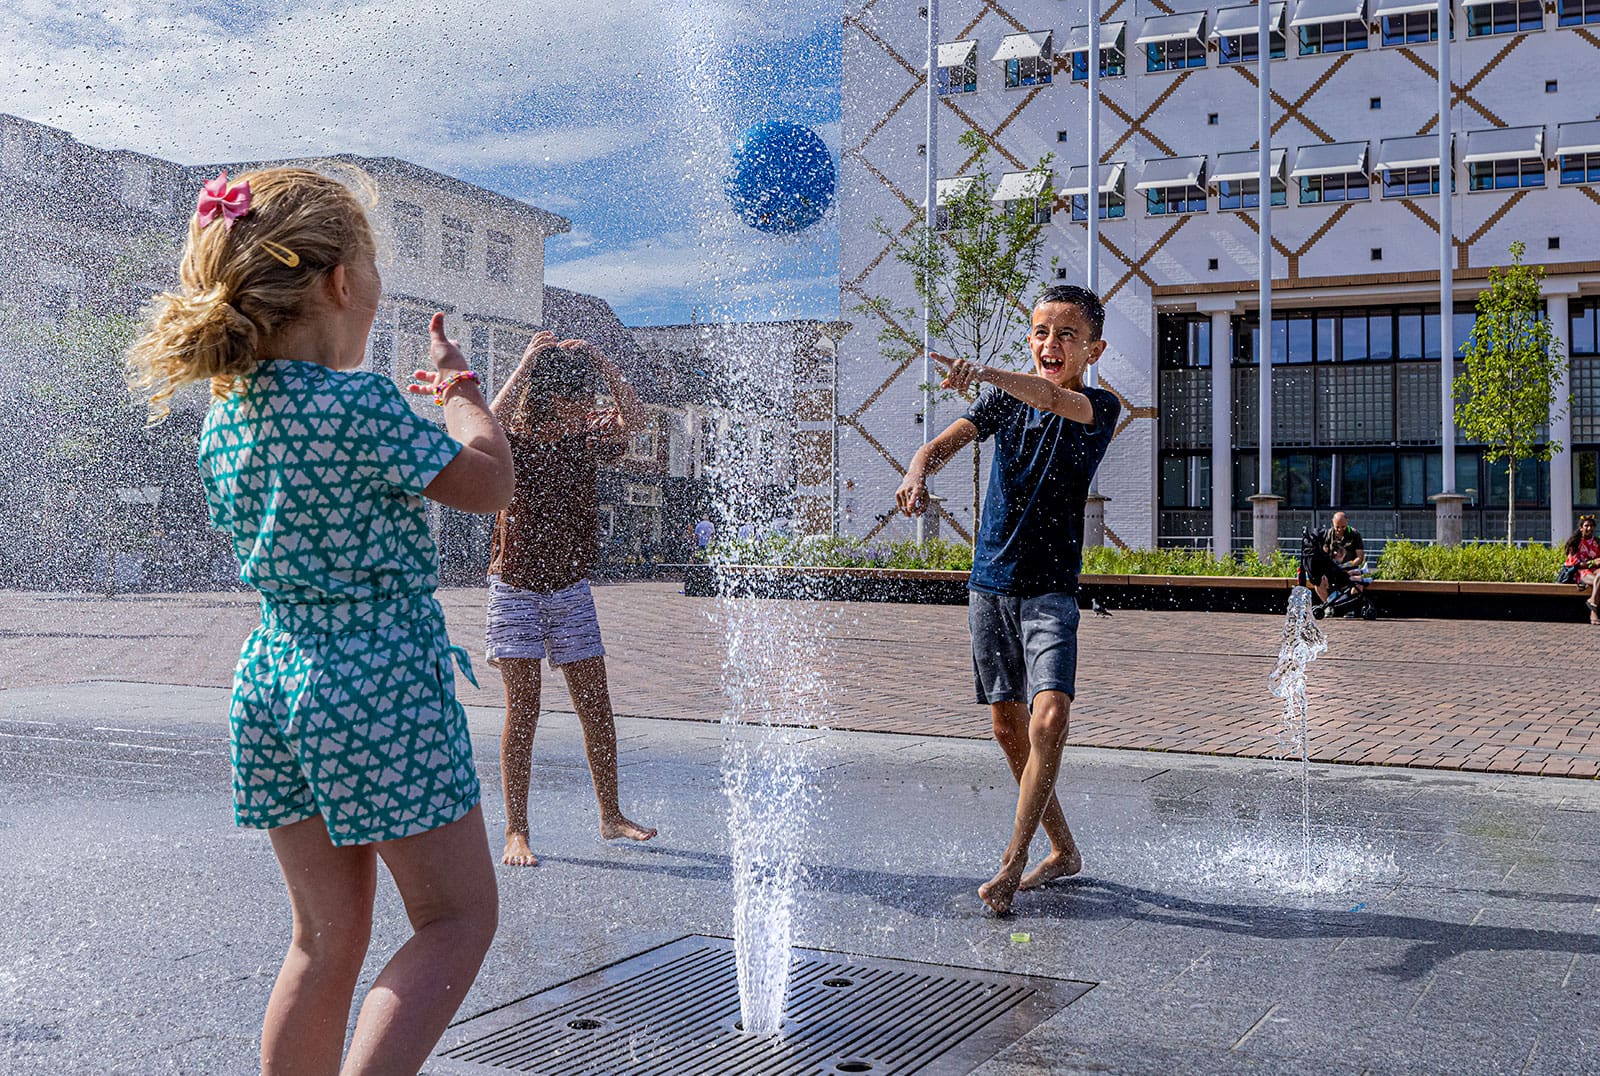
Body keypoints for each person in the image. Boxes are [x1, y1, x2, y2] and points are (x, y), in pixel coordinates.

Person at [125, 167, 513, 1074]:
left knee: (322, 941)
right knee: (456, 919)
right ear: (343, 282)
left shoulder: (225, 419)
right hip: (374, 680)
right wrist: (463, 396)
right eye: (376, 266)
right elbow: (491, 485)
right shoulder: (360, 406)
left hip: (272, 678)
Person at [895, 284, 1120, 916]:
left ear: (1093, 348)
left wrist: (986, 371)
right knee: (1007, 726)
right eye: (1042, 333)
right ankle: (1064, 850)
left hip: (1051, 589)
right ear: (1031, 338)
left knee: (1050, 718)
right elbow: (939, 446)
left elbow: (1051, 397)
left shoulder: (1100, 405)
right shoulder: (1001, 402)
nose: (1052, 345)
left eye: (1067, 335)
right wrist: (916, 472)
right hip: (989, 583)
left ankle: (1012, 861)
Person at [486, 331, 657, 867]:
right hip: (514, 585)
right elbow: (481, 423)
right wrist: (526, 362)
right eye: (576, 401)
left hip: (570, 587)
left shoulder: (587, 440)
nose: (586, 409)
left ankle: (610, 815)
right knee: (525, 708)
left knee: (595, 705)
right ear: (549, 400)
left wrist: (601, 360)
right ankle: (517, 829)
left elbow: (636, 415)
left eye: (587, 401)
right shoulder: (514, 439)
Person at [1309, 512, 1367, 607]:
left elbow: (1359, 557)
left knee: (1359, 582)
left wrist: (1348, 565)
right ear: (1333, 523)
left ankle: (1349, 607)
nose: (1340, 530)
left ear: (1347, 523)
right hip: (1333, 569)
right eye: (1337, 527)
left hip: (1350, 568)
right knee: (1318, 582)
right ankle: (1329, 606)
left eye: (1343, 527)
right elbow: (1325, 553)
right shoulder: (1329, 533)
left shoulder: (1354, 534)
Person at [1561, 514, 1600, 625]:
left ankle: (1592, 601)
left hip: (1596, 570)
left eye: (1592, 526)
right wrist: (1592, 562)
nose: (1590, 528)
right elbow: (1573, 563)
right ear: (1581, 527)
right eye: (1587, 525)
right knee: (1599, 583)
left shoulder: (1597, 542)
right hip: (1581, 572)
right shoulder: (1575, 542)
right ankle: (1593, 612)